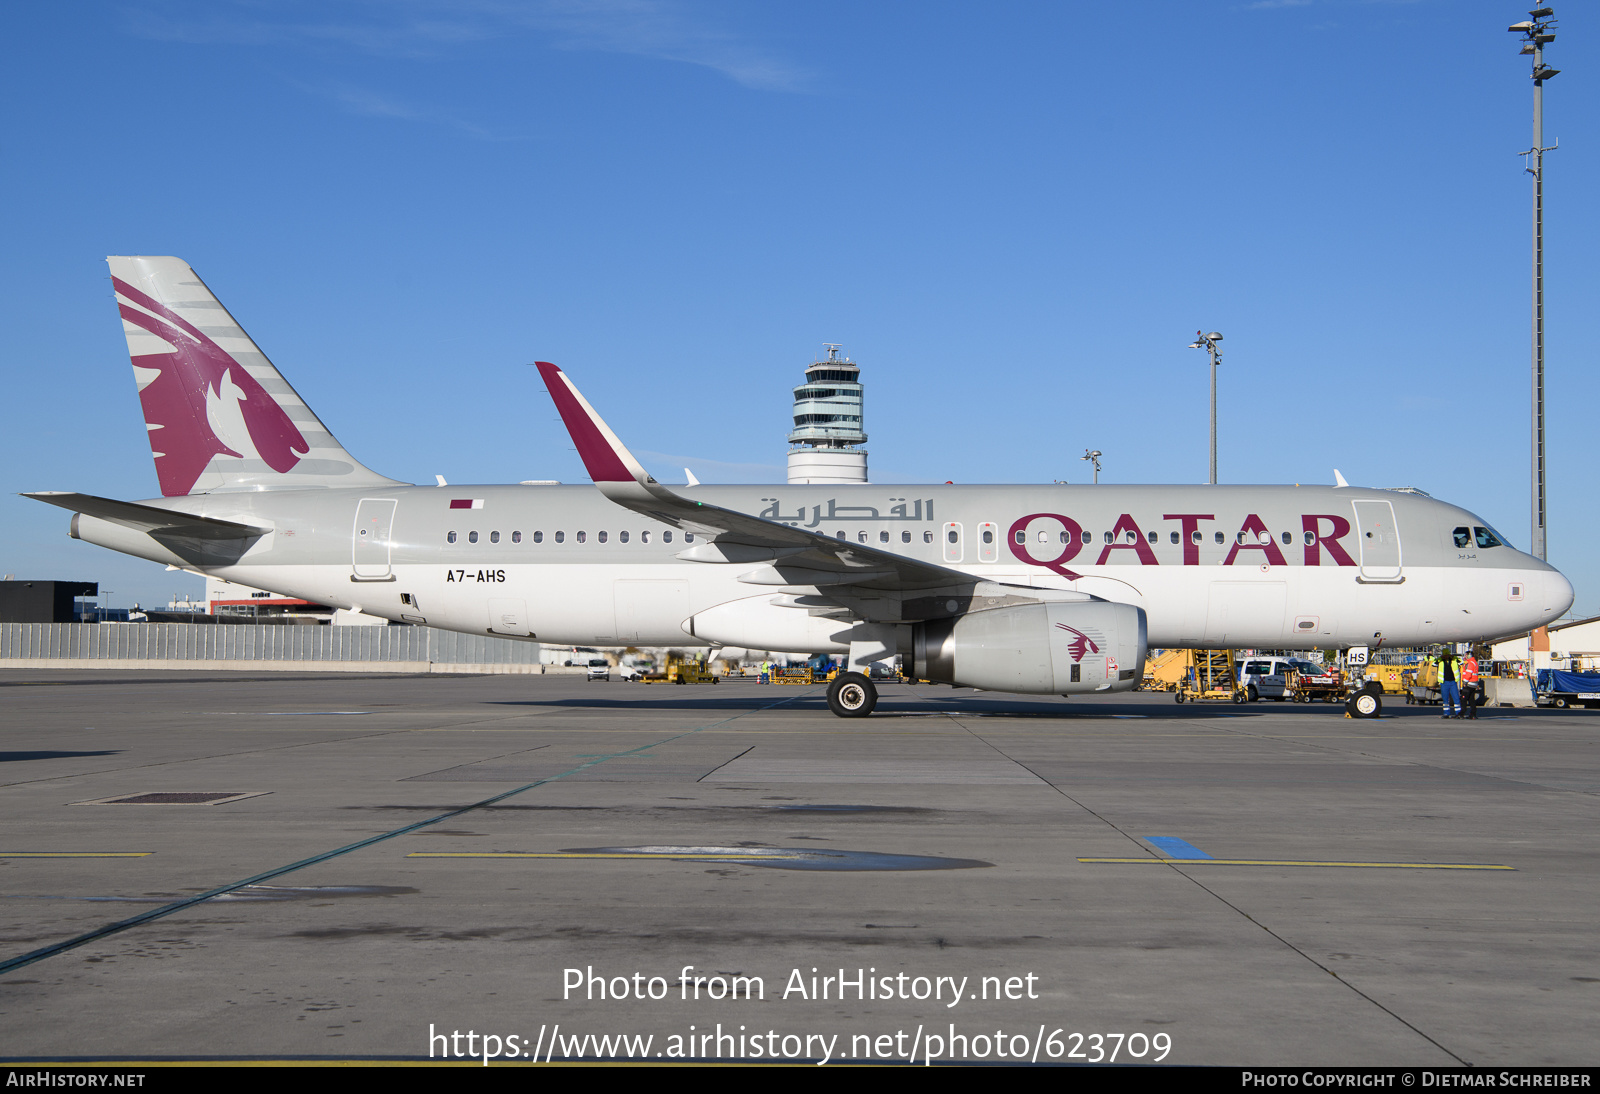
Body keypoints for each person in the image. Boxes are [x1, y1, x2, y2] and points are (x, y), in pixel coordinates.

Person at [1438, 649, 1461, 719]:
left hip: (1453, 682)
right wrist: (1440, 658)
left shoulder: (1454, 660)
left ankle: (1458, 713)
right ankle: (1446, 713)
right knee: (1445, 699)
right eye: (1445, 655)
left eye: (1447, 655)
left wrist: (1454, 657)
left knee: (1456, 698)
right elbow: (1434, 663)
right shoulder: (1440, 661)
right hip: (1444, 682)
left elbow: (1461, 662)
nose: (1446, 656)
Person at [1461, 651, 1480, 720]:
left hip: (1469, 683)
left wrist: (1465, 682)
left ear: (1469, 655)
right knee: (1471, 700)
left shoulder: (1470, 663)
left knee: (1463, 699)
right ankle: (1473, 714)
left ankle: (1461, 713)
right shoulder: (1474, 662)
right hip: (1474, 684)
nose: (1465, 656)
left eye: (1466, 655)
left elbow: (1468, 674)